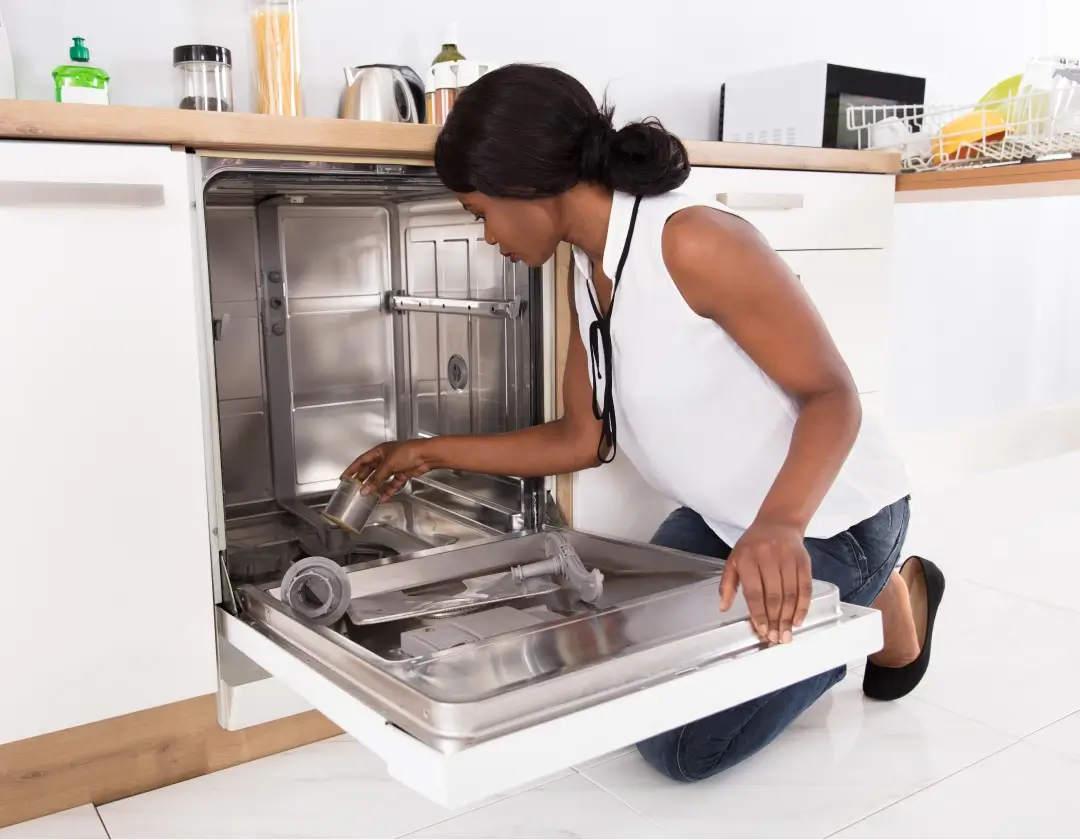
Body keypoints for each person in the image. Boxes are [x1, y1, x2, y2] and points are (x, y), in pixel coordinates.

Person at [344, 64, 946, 782]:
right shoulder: (584, 269)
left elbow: (832, 396)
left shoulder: (690, 241)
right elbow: (581, 437)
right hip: (727, 520)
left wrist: (781, 527)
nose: (485, 236)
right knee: (615, 664)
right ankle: (865, 593)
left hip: (826, 515)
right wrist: (432, 453)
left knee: (681, 749)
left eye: (480, 213)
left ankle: (876, 600)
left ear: (528, 186)